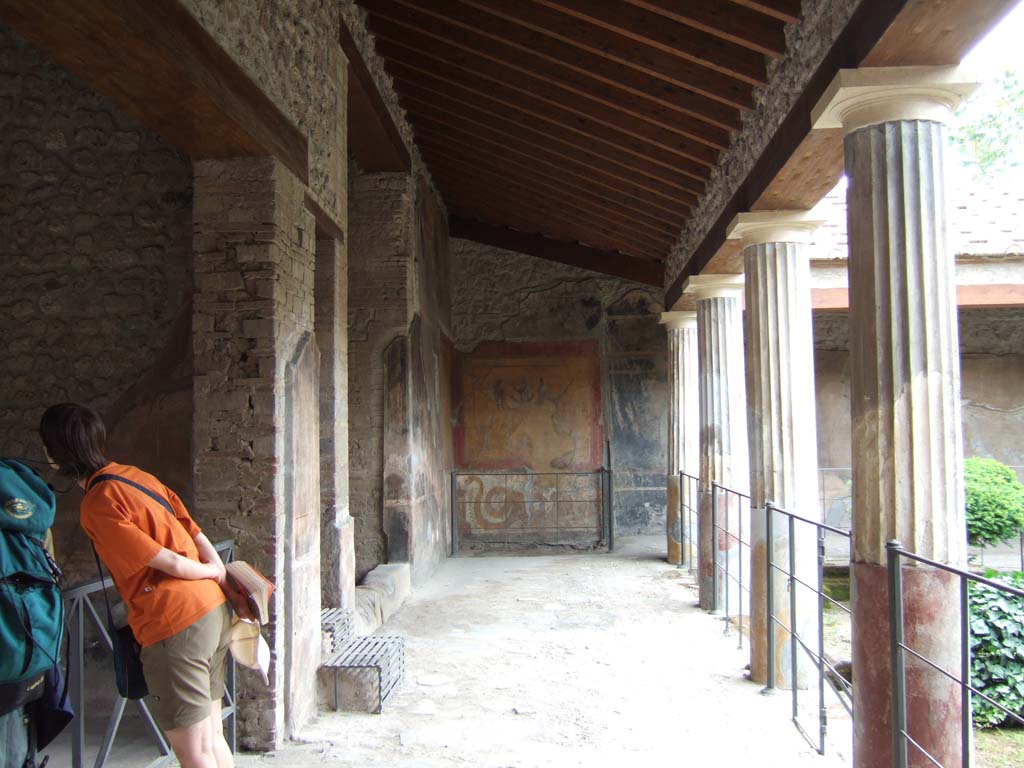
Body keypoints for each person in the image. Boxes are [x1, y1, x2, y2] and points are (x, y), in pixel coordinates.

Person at [39, 403, 233, 768]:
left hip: (176, 624)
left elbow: (167, 562)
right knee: (212, 740)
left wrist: (209, 572)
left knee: (193, 753)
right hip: (212, 613)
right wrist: (216, 571)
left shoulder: (98, 502)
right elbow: (193, 529)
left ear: (54, 455)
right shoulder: (135, 475)